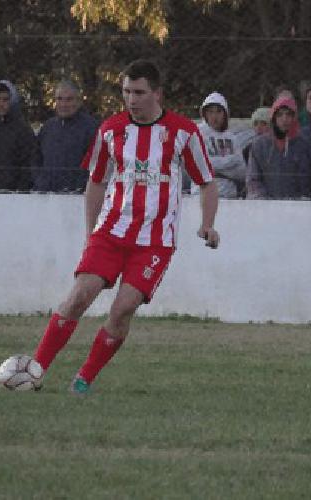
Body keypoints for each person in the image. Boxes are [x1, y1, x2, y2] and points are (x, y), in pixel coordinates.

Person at [29, 59, 221, 396]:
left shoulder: (183, 133)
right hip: (110, 233)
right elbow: (96, 183)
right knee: (78, 297)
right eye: (126, 92)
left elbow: (207, 182)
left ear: (156, 93)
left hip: (155, 242)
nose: (132, 99)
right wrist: (91, 236)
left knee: (123, 308)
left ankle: (83, 380)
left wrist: (208, 225)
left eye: (139, 92)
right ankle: (34, 370)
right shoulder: (110, 130)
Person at [32, 80, 99, 193]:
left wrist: (79, 187)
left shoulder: (91, 128)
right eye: (59, 99)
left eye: (69, 99)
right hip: (47, 196)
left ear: (78, 101)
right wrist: (40, 182)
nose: (64, 104)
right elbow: (36, 159)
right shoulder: (48, 127)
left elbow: (97, 164)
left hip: (76, 198)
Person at [191, 91, 253, 199]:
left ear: (225, 113)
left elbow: (242, 171)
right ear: (204, 113)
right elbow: (198, 166)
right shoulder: (197, 134)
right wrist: (229, 162)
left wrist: (216, 168)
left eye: (219, 111)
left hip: (229, 195)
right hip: (202, 195)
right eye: (210, 112)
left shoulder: (232, 138)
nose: (214, 116)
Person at [246, 96, 308, 199]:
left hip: (295, 206)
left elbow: (305, 181)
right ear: (273, 117)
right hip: (264, 206)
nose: (284, 119)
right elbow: (253, 179)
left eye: (288, 114)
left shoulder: (302, 145)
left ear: (294, 117)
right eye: (280, 115)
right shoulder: (259, 144)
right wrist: (264, 201)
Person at [0, 80, 37, 191]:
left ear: (13, 101)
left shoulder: (22, 130)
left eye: (5, 100)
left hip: (12, 197)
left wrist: (19, 193)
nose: (0, 104)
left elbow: (29, 167)